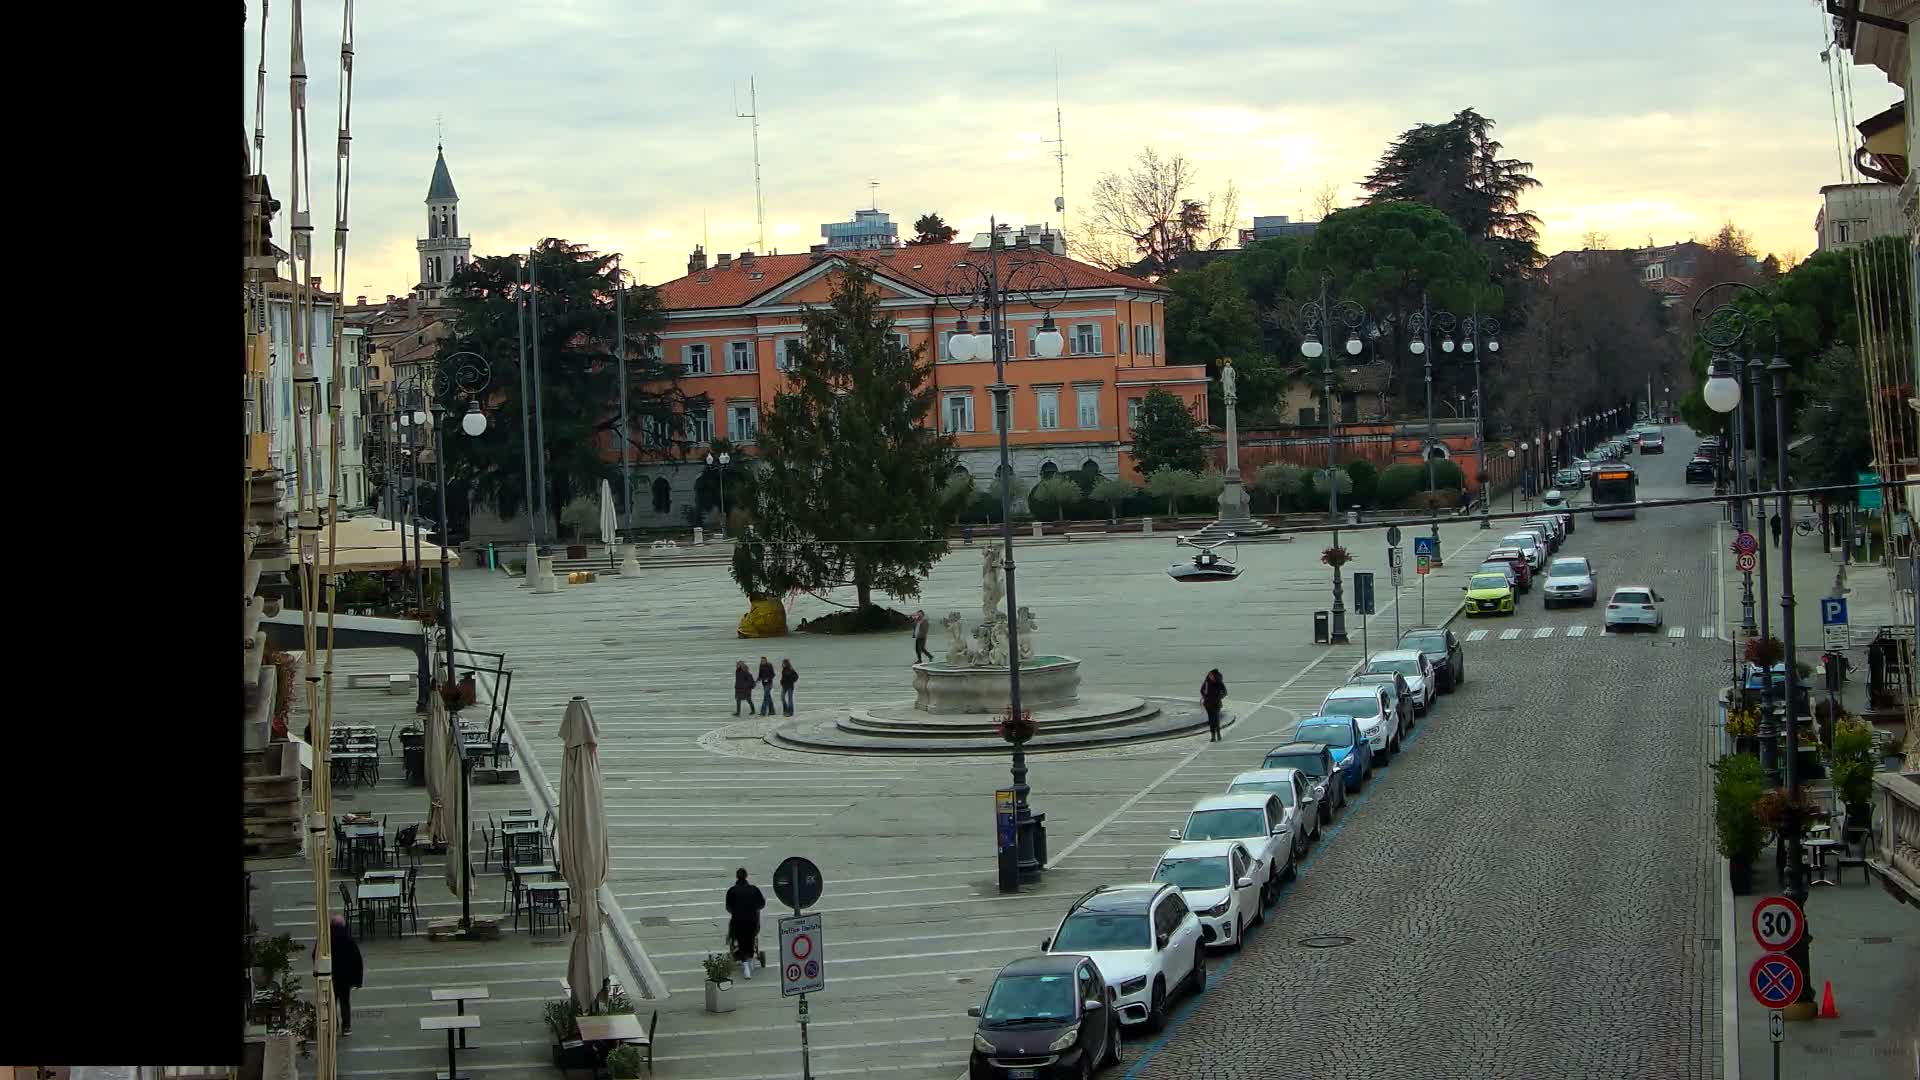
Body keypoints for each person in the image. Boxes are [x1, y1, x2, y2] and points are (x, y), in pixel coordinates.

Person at [320, 913, 364, 1035]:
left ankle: (333, 1025)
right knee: (345, 1002)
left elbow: (316, 954)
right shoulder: (348, 939)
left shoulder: (326, 939)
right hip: (345, 977)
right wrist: (358, 980)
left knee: (331, 1002)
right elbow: (357, 960)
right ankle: (346, 1027)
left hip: (330, 975)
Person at [725, 867, 767, 978]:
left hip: (737, 923)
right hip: (752, 922)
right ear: (746, 876)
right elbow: (762, 904)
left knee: (740, 940)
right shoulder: (754, 890)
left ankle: (745, 964)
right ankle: (749, 959)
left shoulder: (732, 891)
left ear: (737, 877)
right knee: (750, 939)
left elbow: (728, 908)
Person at [1200, 669, 1226, 742]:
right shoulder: (1206, 682)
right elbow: (1202, 690)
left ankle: (1218, 733)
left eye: (1211, 675)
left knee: (1216, 719)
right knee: (1211, 720)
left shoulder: (1219, 683)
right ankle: (1213, 736)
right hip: (1208, 704)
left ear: (1215, 676)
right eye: (1209, 675)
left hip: (1216, 704)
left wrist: (1219, 696)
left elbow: (1225, 692)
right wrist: (1205, 696)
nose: (1210, 676)